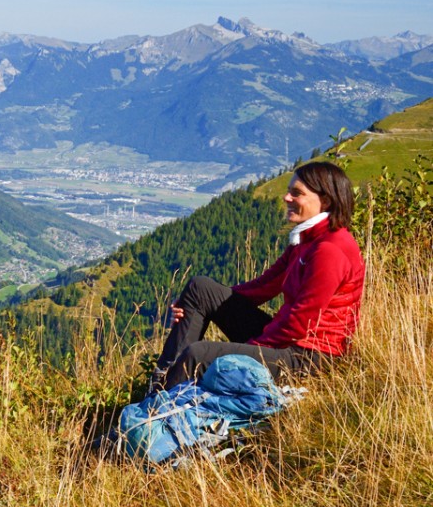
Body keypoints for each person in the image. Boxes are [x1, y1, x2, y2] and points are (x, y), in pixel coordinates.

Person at [150, 161, 365, 394]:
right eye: (289, 191)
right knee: (200, 288)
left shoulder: (329, 250)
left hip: (309, 358)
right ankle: (161, 385)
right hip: (288, 343)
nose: (286, 198)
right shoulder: (306, 240)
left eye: (297, 193)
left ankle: (154, 416)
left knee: (198, 355)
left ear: (325, 201)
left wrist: (247, 351)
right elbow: (262, 288)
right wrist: (198, 306)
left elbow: (300, 323)